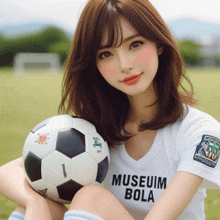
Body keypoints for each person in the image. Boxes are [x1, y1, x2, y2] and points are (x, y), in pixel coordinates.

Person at [0, 0, 220, 219]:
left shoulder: (200, 131)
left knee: (91, 198)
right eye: (105, 54)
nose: (124, 65)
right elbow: (8, 171)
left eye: (135, 44)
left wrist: (92, 201)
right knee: (34, 208)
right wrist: (34, 202)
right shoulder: (97, 129)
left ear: (159, 44)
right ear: (93, 64)